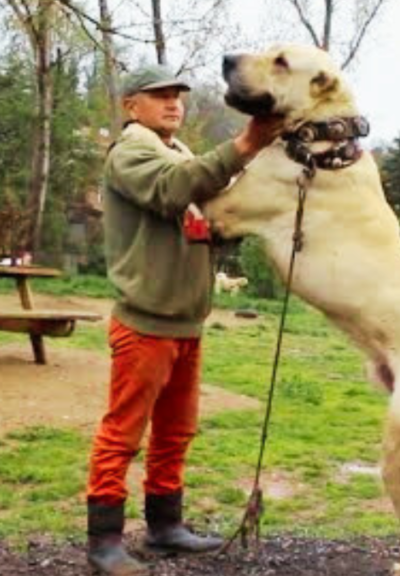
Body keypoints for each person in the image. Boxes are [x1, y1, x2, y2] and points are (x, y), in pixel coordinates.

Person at [85, 64, 283, 575]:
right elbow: (174, 190)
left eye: (177, 95)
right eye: (159, 95)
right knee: (122, 433)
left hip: (186, 322)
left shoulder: (178, 151)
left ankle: (165, 526)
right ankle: (104, 541)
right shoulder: (132, 150)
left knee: (176, 431)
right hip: (145, 323)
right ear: (132, 105)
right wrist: (244, 144)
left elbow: (199, 213)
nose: (174, 103)